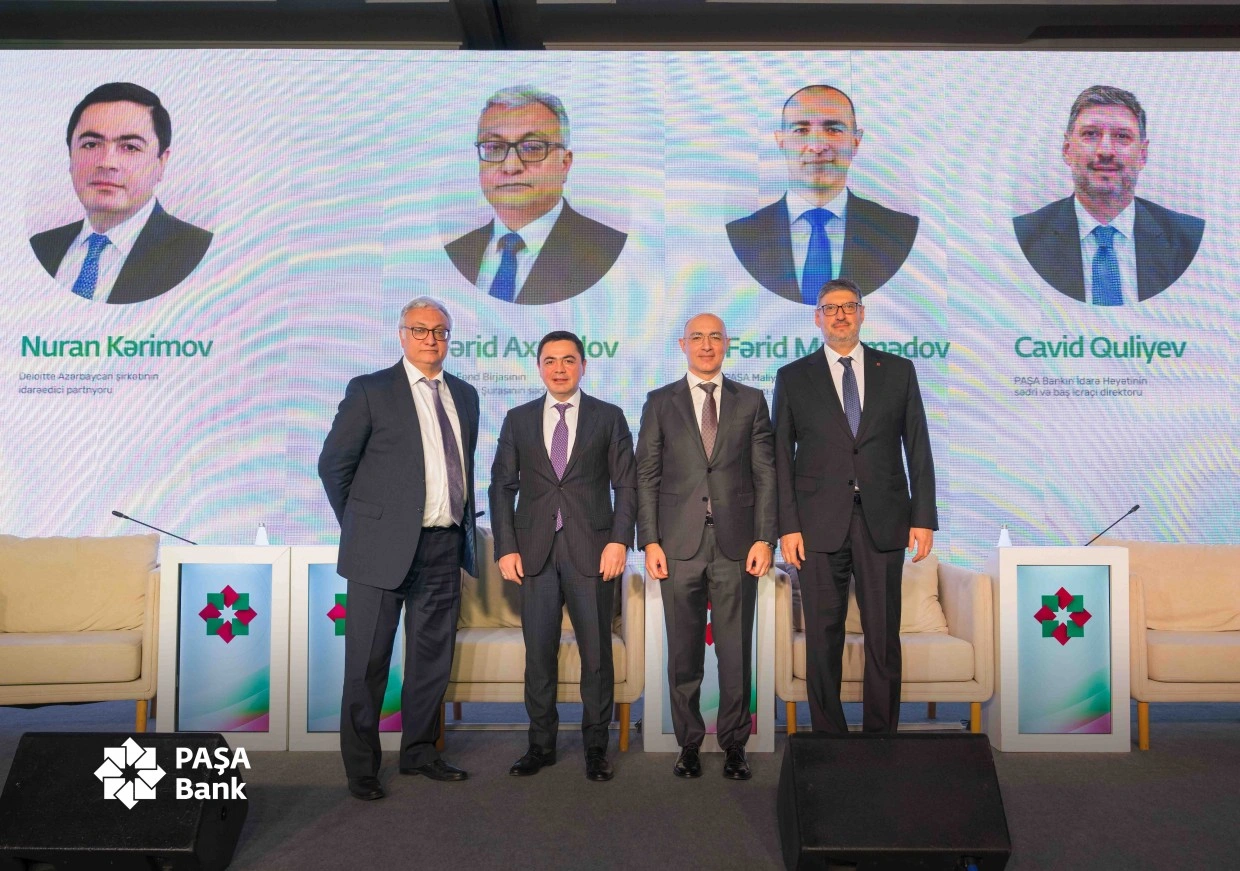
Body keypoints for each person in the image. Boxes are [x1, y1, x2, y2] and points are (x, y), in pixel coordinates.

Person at [318, 297, 480, 801]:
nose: (432, 339)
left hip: (444, 546)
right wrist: (365, 528)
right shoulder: (370, 390)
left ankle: (420, 752)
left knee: (431, 660)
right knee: (367, 664)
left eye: (440, 331)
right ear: (402, 335)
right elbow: (334, 466)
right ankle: (362, 767)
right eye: (421, 329)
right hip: (379, 551)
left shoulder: (466, 395)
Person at [773, 277, 937, 734]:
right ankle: (829, 737)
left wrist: (923, 518)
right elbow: (780, 458)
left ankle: (881, 737)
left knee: (883, 635)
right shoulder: (793, 377)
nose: (840, 315)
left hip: (884, 520)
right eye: (830, 308)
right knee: (822, 634)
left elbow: (918, 447)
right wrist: (787, 526)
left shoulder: (898, 371)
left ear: (862, 313)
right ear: (817, 318)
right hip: (817, 524)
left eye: (848, 306)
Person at [635, 313, 777, 780]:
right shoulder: (660, 402)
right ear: (683, 345)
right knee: (684, 652)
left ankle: (735, 744)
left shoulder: (751, 401)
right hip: (678, 545)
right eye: (697, 337)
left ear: (727, 344)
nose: (706, 344)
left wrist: (765, 537)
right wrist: (649, 540)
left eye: (715, 336)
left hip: (737, 544)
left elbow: (765, 474)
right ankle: (689, 744)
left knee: (735, 652)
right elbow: (646, 475)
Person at [489, 330, 636, 781]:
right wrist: (505, 547)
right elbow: (501, 487)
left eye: (568, 360)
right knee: (538, 654)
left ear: (583, 366)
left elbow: (626, 484)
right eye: (550, 360)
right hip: (534, 552)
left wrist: (619, 541)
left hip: (593, 551)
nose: (559, 368)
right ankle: (540, 745)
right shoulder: (517, 419)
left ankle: (596, 748)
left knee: (597, 655)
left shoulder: (608, 417)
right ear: (538, 367)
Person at [1013, 85, 1204, 305]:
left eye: (1122, 136)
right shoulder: (1022, 239)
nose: (1105, 151)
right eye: (1090, 134)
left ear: (1142, 155)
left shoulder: (1191, 240)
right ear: (1067, 150)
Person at [726, 85, 918, 303]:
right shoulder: (740, 237)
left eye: (833, 129)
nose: (817, 147)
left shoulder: (902, 233)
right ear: (781, 141)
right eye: (801, 130)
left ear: (856, 142)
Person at [29, 82, 212, 304]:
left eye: (130, 147)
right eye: (91, 145)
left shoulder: (199, 252)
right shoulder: (40, 247)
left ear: (161, 163)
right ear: (70, 156)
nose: (107, 163)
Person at [445, 86, 627, 305]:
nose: (511, 167)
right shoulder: (454, 253)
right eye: (494, 148)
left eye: (531, 148)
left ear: (564, 164)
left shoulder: (613, 252)